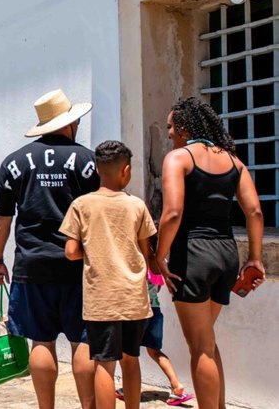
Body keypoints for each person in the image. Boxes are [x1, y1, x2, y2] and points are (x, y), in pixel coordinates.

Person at [0, 89, 99, 409]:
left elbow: (1, 219)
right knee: (83, 340)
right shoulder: (89, 161)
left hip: (32, 265)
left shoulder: (15, 162)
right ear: (70, 122)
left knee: (41, 340)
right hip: (79, 264)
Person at [154, 98, 265, 408]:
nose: (169, 134)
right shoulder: (234, 162)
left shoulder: (178, 159)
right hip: (226, 254)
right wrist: (254, 258)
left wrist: (160, 256)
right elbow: (254, 211)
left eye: (171, 127)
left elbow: (172, 213)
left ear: (185, 128)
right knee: (208, 340)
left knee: (200, 346)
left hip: (193, 255)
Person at [60, 140, 157, 409]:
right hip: (133, 296)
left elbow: (70, 251)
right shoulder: (136, 206)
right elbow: (145, 251)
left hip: (100, 298)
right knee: (131, 359)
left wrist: (92, 253)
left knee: (104, 363)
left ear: (97, 170)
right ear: (125, 171)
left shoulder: (81, 205)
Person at [116, 263, 193, 406]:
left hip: (138, 311)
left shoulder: (136, 263)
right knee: (155, 351)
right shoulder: (157, 264)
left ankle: (130, 390)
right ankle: (176, 385)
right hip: (155, 311)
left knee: (127, 355)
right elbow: (157, 286)